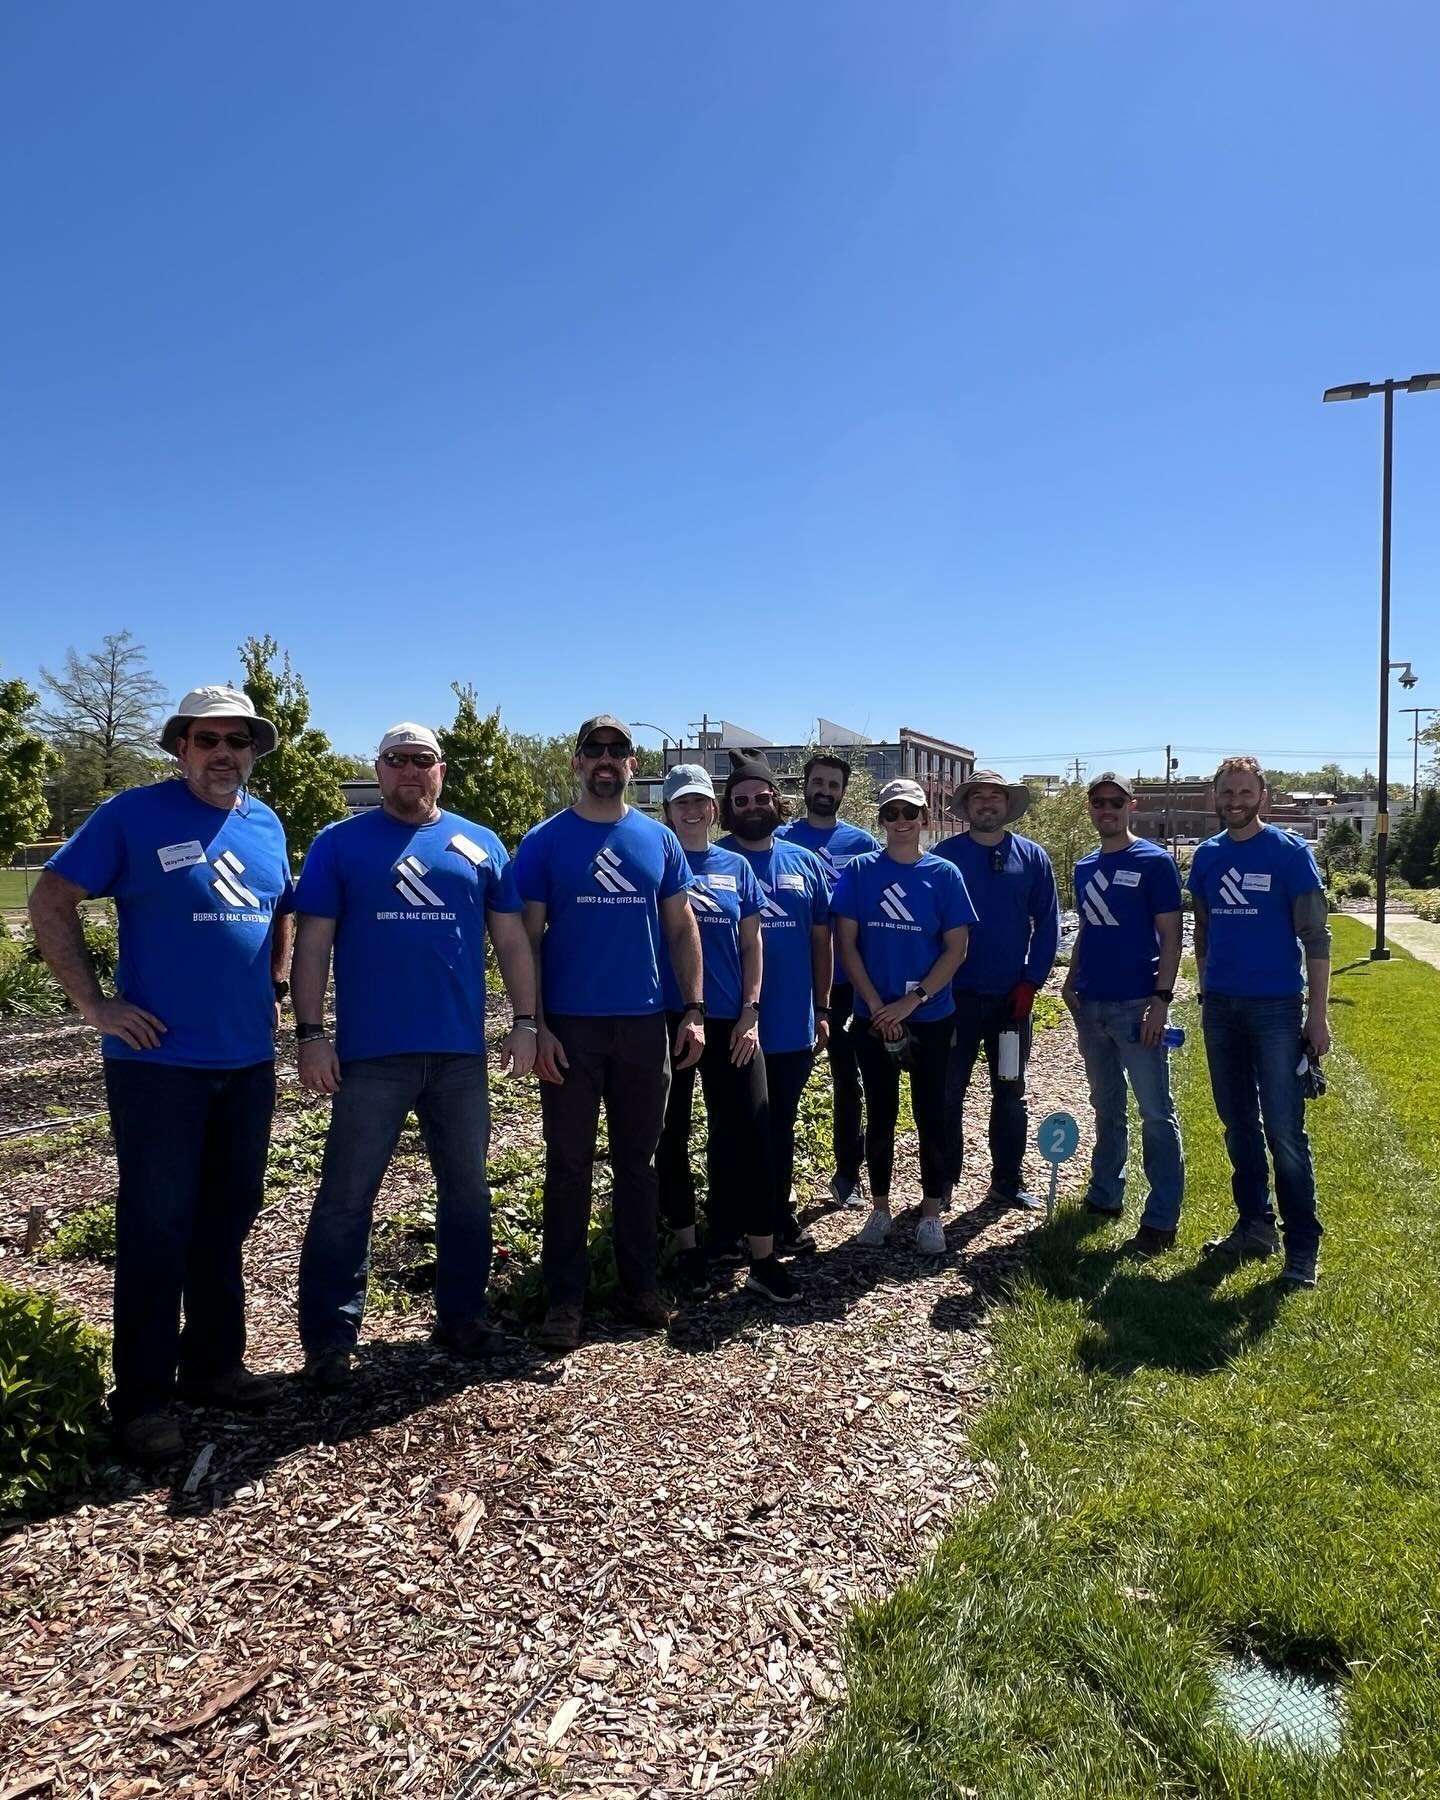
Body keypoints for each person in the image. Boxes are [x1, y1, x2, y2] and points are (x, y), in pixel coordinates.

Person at [28, 685, 293, 1464]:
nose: (224, 753)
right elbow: (51, 899)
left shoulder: (265, 822)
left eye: (238, 741)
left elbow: (281, 911)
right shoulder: (131, 816)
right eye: (207, 739)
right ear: (180, 746)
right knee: (157, 1225)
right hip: (158, 1066)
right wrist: (94, 1003)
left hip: (245, 1061)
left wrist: (275, 988)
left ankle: (214, 1365)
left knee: (230, 1213)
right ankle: (143, 1398)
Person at [291, 723, 538, 1386]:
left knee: (467, 1194)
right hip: (371, 1057)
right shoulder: (339, 845)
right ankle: (330, 1341)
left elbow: (512, 941)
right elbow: (313, 942)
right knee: (346, 1197)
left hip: (458, 1057)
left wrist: (525, 1021)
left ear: (441, 770)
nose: (408, 772)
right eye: (396, 761)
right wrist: (310, 1033)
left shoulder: (479, 844)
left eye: (420, 761)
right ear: (378, 770)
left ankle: (461, 1318)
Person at [514, 715, 705, 1351]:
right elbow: (529, 941)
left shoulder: (659, 840)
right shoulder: (543, 842)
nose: (604, 759)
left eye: (616, 751)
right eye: (593, 750)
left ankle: (638, 1285)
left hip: (644, 1025)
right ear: (576, 762)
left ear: (631, 764)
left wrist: (695, 1009)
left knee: (639, 1164)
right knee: (567, 1164)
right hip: (570, 1027)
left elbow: (682, 929)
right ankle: (565, 1300)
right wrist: (535, 1023)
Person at [655, 765, 800, 1303]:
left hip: (732, 1023)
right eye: (680, 803)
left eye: (700, 802)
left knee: (753, 1133)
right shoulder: (657, 863)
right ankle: (690, 1249)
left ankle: (762, 1257)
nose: (691, 811)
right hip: (671, 1020)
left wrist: (751, 1011)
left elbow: (752, 944)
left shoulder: (735, 865)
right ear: (667, 812)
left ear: (714, 810)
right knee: (671, 1137)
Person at [1189, 755, 1330, 1287]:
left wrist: (1317, 1019)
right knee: (1238, 1125)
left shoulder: (1289, 854)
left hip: (1276, 1008)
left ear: (1262, 795)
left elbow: (1317, 938)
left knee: (1285, 1132)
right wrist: (1205, 986)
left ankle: (1302, 1246)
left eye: (1245, 793)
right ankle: (1254, 1226)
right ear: (1215, 797)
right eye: (1227, 793)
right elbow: (1203, 928)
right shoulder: (1206, 857)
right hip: (1221, 1008)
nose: (1235, 802)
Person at [831, 778, 976, 1253]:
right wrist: (876, 1006)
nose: (900, 822)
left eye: (909, 814)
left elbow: (957, 948)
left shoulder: (944, 875)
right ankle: (879, 1207)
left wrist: (912, 1003)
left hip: (931, 1016)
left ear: (924, 820)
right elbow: (846, 944)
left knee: (932, 1113)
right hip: (873, 1016)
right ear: (882, 820)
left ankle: (931, 1212)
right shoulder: (858, 871)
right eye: (891, 814)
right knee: (881, 1114)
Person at [1061, 773, 1184, 1257]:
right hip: (1091, 1006)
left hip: (1138, 1007)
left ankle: (1160, 1219)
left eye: (1115, 802)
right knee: (1106, 1106)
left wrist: (1161, 999)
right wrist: (1071, 981)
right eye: (1098, 803)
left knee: (1156, 1113)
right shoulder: (1085, 866)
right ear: (1090, 808)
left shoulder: (1154, 863)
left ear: (1132, 805)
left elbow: (1171, 936)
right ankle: (1105, 1194)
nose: (1106, 810)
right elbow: (1089, 929)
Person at [716, 752, 832, 1251]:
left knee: (780, 1124)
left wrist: (824, 1009)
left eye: (761, 798)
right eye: (740, 800)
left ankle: (776, 1213)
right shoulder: (712, 860)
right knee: (730, 1127)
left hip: (791, 1025)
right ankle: (727, 1222)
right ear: (728, 807)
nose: (752, 807)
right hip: (731, 1023)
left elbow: (821, 942)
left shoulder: (803, 863)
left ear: (776, 801)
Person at [933, 771, 1060, 1210]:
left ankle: (1007, 1179)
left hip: (1011, 1002)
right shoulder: (944, 858)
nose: (987, 803)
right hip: (954, 1001)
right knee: (948, 1091)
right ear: (966, 807)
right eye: (978, 797)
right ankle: (943, 1181)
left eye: (995, 796)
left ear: (1007, 805)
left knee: (1009, 1090)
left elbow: (1048, 924)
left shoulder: (1032, 857)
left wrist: (1032, 980)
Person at [776, 754, 881, 1209]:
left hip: (846, 983)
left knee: (846, 1078)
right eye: (817, 782)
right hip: (791, 984)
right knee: (783, 1083)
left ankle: (847, 1176)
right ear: (805, 786)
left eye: (833, 784)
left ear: (842, 791)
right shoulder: (781, 838)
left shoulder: (862, 845)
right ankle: (778, 1177)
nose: (824, 790)